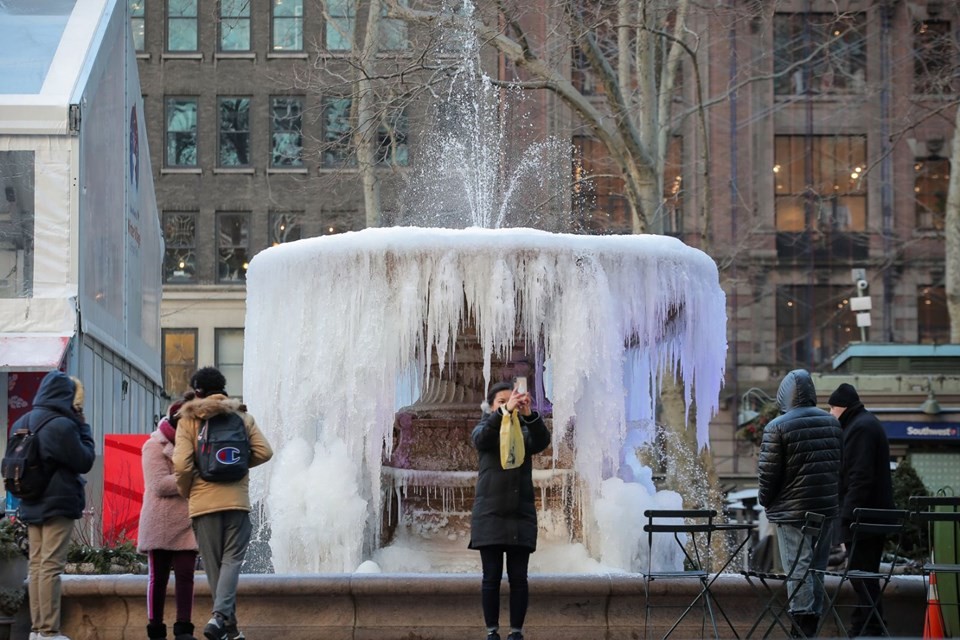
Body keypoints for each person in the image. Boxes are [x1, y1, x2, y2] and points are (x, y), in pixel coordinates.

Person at [173, 368, 273, 640]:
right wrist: (239, 465)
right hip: (237, 503)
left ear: (198, 392)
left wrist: (188, 490)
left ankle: (220, 620)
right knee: (232, 561)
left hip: (204, 504)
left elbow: (181, 465)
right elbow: (265, 451)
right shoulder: (242, 417)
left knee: (215, 567)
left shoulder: (189, 420)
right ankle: (227, 627)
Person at [758, 369, 842, 638]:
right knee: (816, 565)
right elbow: (838, 465)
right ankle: (812, 623)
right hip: (826, 507)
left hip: (792, 510)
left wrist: (766, 501)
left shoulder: (777, 426)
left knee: (798, 566)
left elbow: (769, 474)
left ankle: (801, 626)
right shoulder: (832, 423)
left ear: (784, 395)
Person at [468, 380, 551, 640]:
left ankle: (516, 632)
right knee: (490, 578)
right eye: (501, 401)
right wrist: (503, 413)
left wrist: (528, 415)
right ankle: (492, 631)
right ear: (491, 407)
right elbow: (480, 439)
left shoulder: (523, 433)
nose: (509, 404)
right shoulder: (486, 428)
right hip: (490, 514)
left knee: (519, 578)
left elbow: (542, 441)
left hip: (520, 514)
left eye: (512, 400)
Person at [17, 372, 96, 640]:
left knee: (37, 565)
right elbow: (84, 460)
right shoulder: (62, 425)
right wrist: (82, 426)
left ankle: (37, 629)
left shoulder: (22, 420)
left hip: (30, 499)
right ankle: (49, 631)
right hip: (57, 502)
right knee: (51, 565)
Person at [827, 382, 895, 637]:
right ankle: (865, 624)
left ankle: (870, 626)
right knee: (862, 572)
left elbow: (859, 476)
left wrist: (847, 517)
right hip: (870, 516)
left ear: (841, 407)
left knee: (861, 573)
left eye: (831, 408)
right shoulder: (864, 423)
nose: (830, 413)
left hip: (864, 518)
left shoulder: (860, 428)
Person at [139, 396, 199, 640]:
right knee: (159, 577)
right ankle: (156, 630)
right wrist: (194, 477)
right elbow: (159, 484)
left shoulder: (195, 444)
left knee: (186, 575)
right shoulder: (153, 445)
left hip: (187, 521)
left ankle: (184, 630)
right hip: (160, 521)